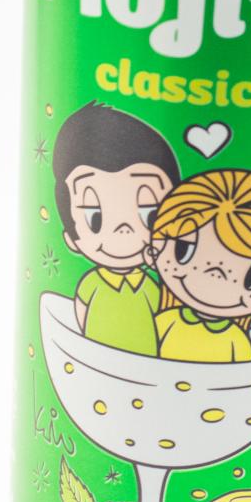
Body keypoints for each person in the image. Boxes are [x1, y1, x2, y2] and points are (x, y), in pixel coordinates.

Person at [52, 103, 180, 355]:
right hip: (95, 357)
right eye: (95, 217)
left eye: (149, 214)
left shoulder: (149, 286)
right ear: (71, 239)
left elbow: (160, 320)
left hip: (146, 362)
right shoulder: (92, 283)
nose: (124, 229)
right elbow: (81, 312)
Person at [148, 169, 251, 362]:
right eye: (183, 250)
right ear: (153, 253)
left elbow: (242, 373)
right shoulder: (166, 321)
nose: (214, 275)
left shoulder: (236, 340)